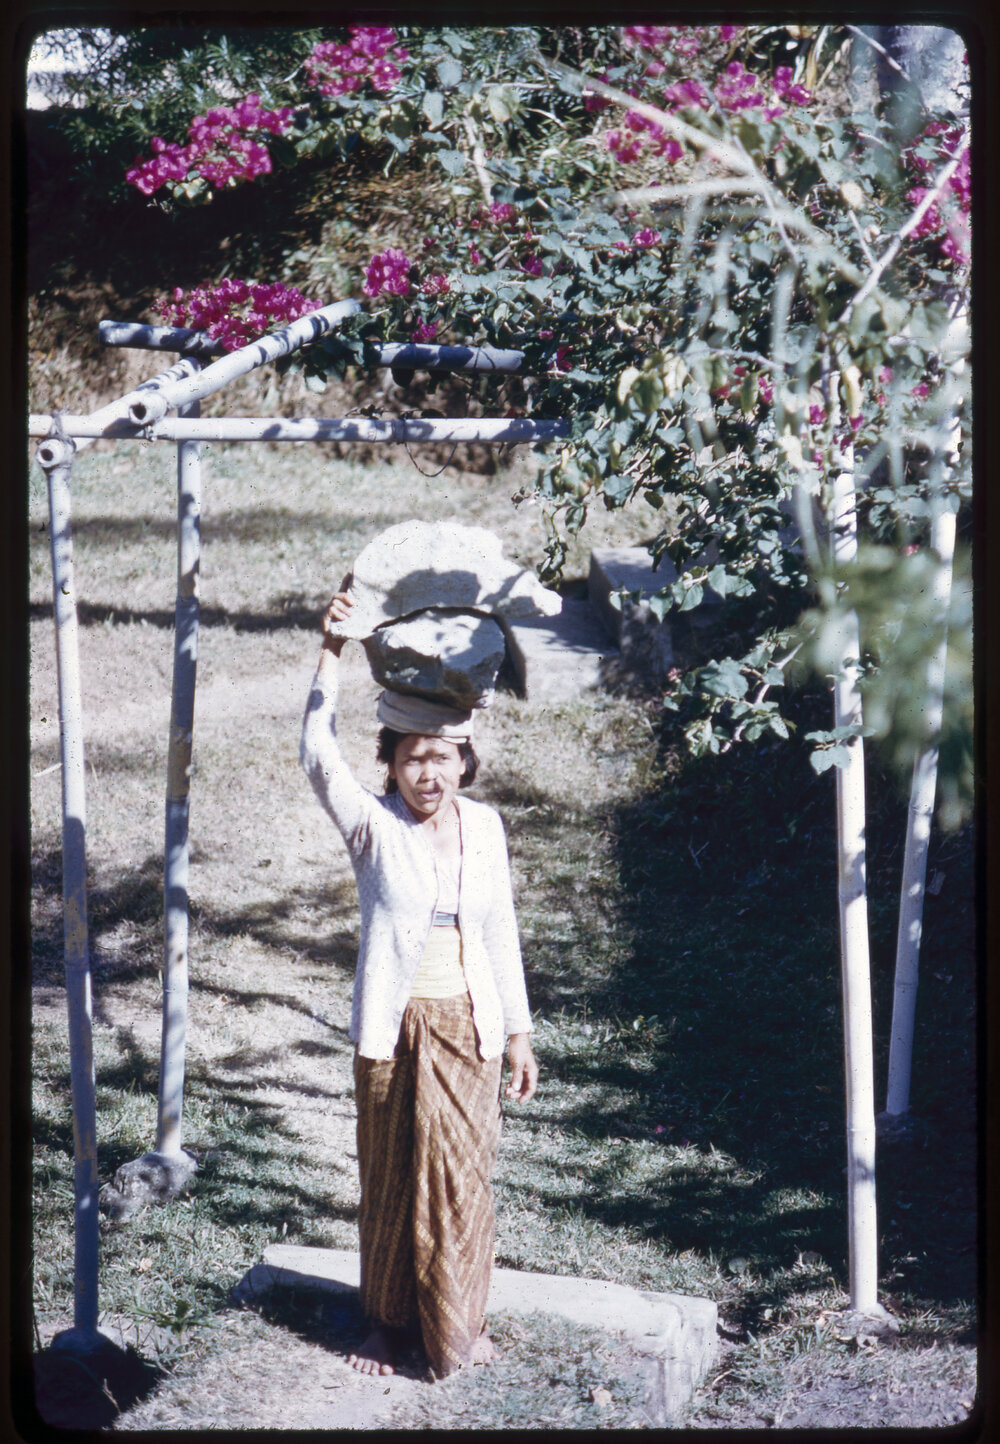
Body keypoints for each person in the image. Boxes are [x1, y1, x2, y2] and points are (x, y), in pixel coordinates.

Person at [300, 589, 539, 1379]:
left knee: (464, 1180)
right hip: (391, 1031)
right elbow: (315, 754)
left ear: (464, 760)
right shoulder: (373, 826)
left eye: (441, 757)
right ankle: (383, 1326)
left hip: (468, 1026)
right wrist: (330, 652)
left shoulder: (487, 830)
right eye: (411, 757)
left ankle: (459, 1324)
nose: (426, 773)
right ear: (392, 762)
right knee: (393, 1178)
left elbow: (499, 930)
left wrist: (518, 1032)